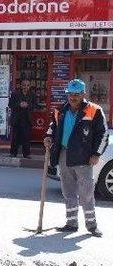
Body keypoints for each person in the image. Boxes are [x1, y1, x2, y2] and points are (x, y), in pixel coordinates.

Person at [44, 79, 108, 238]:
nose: (73, 98)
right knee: (68, 191)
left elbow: (103, 134)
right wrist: (48, 136)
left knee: (86, 193)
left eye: (76, 95)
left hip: (84, 157)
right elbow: (53, 126)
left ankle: (92, 226)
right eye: (70, 94)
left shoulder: (94, 110)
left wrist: (96, 154)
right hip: (64, 154)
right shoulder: (60, 110)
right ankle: (71, 223)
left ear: (83, 94)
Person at [8, 79, 36, 158]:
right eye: (24, 85)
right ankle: (13, 153)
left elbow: (35, 105)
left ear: (29, 86)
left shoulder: (32, 94)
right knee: (15, 137)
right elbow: (10, 104)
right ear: (21, 85)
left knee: (26, 137)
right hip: (17, 119)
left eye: (27, 85)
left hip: (27, 119)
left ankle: (26, 154)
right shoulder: (15, 94)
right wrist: (19, 104)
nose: (25, 87)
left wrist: (28, 105)